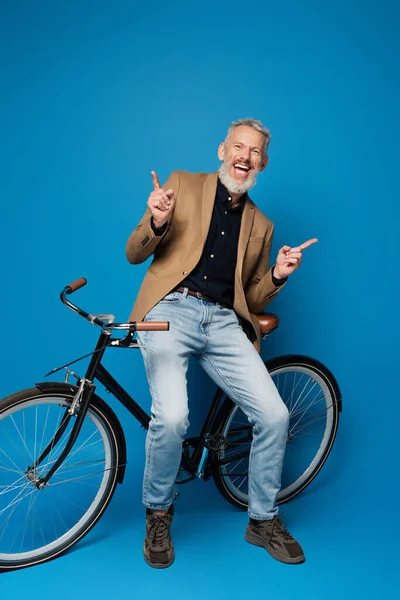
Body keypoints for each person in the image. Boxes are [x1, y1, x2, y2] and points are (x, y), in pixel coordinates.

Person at [126, 118, 317, 569]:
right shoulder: (181, 186)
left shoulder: (262, 225)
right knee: (172, 417)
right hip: (171, 311)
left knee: (275, 415)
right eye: (238, 146)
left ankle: (262, 519)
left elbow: (248, 297)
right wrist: (156, 219)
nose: (245, 156)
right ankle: (158, 512)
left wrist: (277, 275)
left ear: (263, 164)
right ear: (222, 150)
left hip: (224, 323)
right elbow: (135, 252)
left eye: (254, 152)